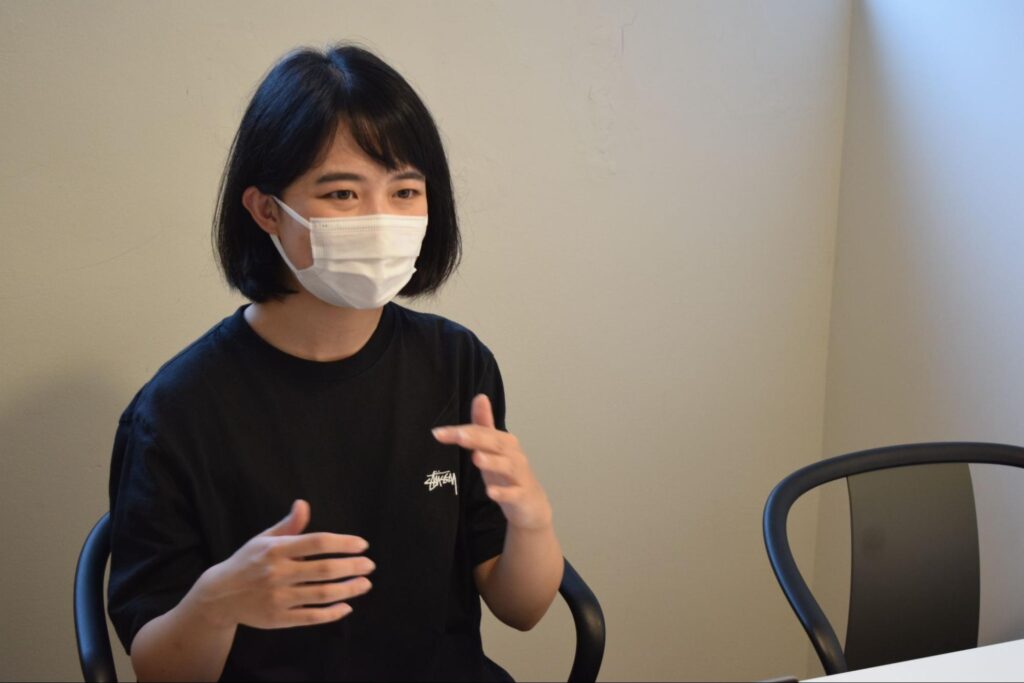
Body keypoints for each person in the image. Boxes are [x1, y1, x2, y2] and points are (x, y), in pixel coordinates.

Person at [107, 44, 563, 682]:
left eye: (405, 190)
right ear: (267, 210)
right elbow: (160, 669)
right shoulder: (178, 411)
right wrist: (219, 603)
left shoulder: (456, 363)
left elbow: (522, 608)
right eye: (344, 193)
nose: (383, 219)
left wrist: (533, 520)